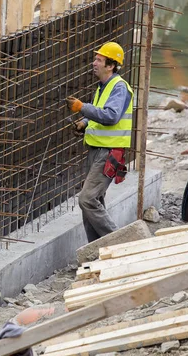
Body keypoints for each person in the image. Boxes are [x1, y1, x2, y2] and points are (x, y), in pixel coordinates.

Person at [65, 42, 133, 242]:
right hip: (96, 150)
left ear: (110, 65)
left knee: (87, 199)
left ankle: (118, 243)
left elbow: (111, 116)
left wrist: (81, 107)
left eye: (99, 60)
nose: (94, 63)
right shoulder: (103, 87)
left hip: (109, 152)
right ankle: (96, 249)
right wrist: (85, 123)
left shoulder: (119, 88)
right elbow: (100, 112)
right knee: (95, 201)